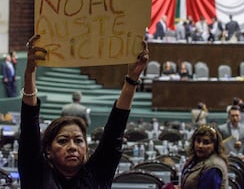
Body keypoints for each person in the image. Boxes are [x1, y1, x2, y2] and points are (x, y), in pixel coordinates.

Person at [18, 35, 149, 188]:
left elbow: (115, 129)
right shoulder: (35, 174)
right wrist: (30, 74)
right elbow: (29, 125)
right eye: (63, 141)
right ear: (48, 150)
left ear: (86, 149)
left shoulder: (97, 174)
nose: (72, 147)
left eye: (79, 140)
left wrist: (132, 79)